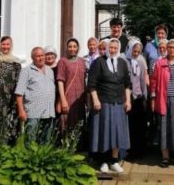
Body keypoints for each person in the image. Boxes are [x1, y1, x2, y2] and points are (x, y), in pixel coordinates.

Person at [88, 38, 131, 173]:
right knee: (104, 132)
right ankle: (103, 161)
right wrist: (95, 100)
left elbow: (127, 84)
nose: (112, 50)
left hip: (119, 102)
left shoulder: (123, 63)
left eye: (115, 48)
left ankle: (114, 160)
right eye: (110, 47)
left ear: (118, 49)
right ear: (107, 48)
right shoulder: (98, 62)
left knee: (117, 132)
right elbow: (92, 84)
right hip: (103, 102)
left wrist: (128, 101)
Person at [150, 39, 174, 168]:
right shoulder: (160, 63)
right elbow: (154, 82)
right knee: (164, 128)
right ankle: (165, 157)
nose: (171, 49)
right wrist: (153, 99)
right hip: (163, 99)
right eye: (169, 47)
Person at [15, 47, 56, 145]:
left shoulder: (50, 71)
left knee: (46, 141)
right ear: (32, 57)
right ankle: (30, 159)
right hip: (33, 112)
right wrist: (21, 111)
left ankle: (42, 159)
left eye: (42, 55)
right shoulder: (26, 71)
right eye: (38, 56)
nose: (41, 58)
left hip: (49, 112)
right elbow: (19, 92)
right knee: (30, 140)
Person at [57, 38, 87, 138]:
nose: (72, 49)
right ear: (66, 48)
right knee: (68, 121)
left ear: (78, 48)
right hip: (68, 97)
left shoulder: (82, 61)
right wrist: (63, 99)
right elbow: (60, 81)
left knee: (80, 121)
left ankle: (79, 147)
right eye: (70, 46)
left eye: (74, 46)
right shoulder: (63, 61)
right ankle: (67, 147)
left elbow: (84, 79)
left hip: (80, 98)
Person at [125, 40, 148, 158]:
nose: (136, 53)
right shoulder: (125, 61)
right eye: (134, 51)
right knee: (129, 125)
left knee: (139, 125)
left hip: (139, 97)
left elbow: (143, 80)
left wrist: (145, 96)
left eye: (138, 51)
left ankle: (139, 150)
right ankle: (129, 149)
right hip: (128, 97)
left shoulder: (141, 61)